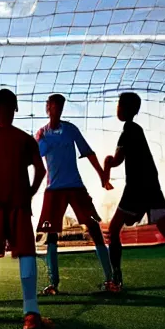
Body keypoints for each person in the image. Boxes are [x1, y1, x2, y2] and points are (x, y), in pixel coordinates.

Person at [0, 89, 53, 329]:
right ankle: (31, 312)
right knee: (26, 252)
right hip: (18, 203)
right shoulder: (25, 139)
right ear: (15, 108)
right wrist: (30, 192)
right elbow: (41, 170)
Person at [104, 92, 165, 291]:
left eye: (119, 104)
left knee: (114, 229)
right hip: (151, 187)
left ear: (125, 109)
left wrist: (106, 164)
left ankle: (116, 280)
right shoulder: (136, 130)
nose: (117, 108)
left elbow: (117, 160)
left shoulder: (128, 130)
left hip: (136, 188)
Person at [35, 94, 117, 295]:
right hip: (53, 190)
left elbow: (88, 152)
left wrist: (102, 176)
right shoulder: (41, 134)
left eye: (60, 106)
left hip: (75, 187)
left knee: (93, 227)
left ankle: (110, 280)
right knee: (51, 234)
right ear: (47, 108)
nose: (57, 109)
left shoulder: (70, 129)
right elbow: (35, 160)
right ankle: (53, 284)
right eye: (53, 106)